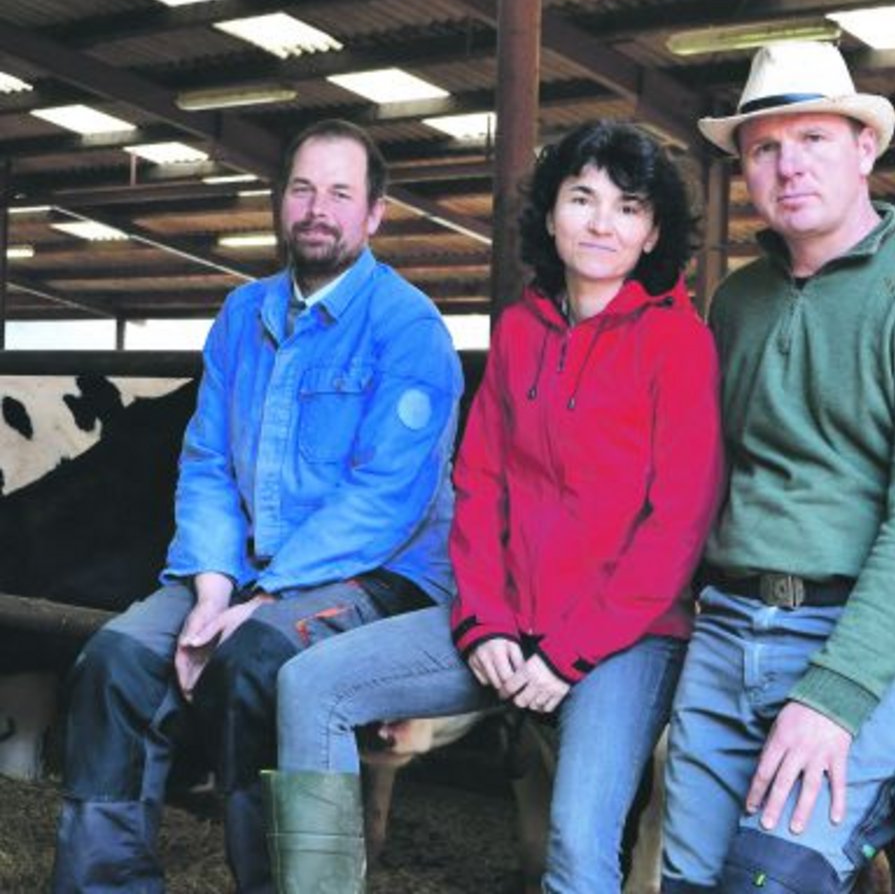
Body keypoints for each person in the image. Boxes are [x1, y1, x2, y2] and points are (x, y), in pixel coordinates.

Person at [270, 119, 724, 892]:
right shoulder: (520, 332)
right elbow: (478, 486)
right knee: (311, 684)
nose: (602, 222)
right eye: (582, 198)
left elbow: (677, 526)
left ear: (653, 234)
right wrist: (482, 619)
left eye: (628, 206)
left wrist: (569, 653)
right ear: (550, 215)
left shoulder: (679, 344)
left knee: (577, 846)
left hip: (625, 640)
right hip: (503, 626)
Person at [51, 119, 463, 893]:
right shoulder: (243, 316)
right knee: (113, 661)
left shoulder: (409, 330)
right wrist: (211, 582)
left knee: (256, 663)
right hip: (242, 571)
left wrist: (262, 599)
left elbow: (384, 501)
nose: (318, 208)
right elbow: (206, 462)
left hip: (376, 573)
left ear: (374, 214)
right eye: (303, 189)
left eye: (341, 193)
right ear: (280, 203)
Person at [660, 41, 895, 892]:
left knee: (769, 881)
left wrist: (836, 694)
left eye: (813, 139)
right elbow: (712, 483)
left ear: (865, 148)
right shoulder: (736, 302)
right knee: (685, 884)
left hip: (869, 640)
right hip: (730, 628)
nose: (789, 165)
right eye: (764, 147)